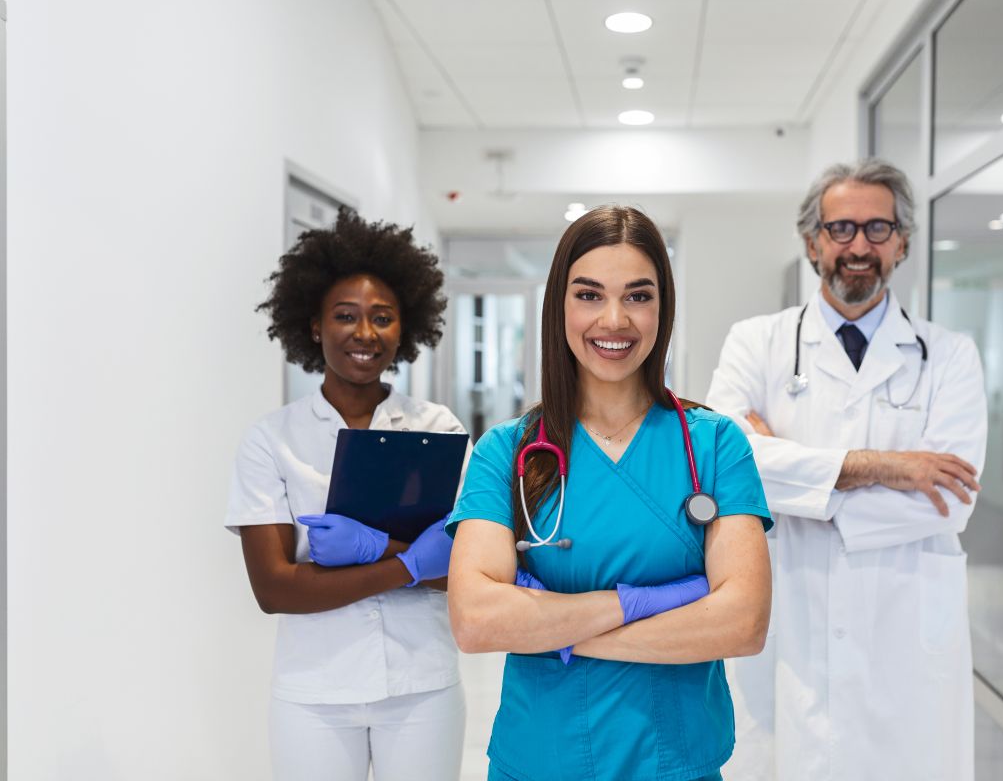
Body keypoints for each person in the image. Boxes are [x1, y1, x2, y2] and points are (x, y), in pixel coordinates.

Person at [446, 205, 773, 781]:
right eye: (590, 295)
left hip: (675, 762)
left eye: (639, 296)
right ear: (560, 307)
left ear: (663, 309)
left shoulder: (717, 446)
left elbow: (743, 623)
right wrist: (645, 603)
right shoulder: (506, 452)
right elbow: (476, 621)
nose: (615, 319)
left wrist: (557, 632)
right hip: (541, 759)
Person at [706, 159, 988, 781]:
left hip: (903, 627)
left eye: (878, 228)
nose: (859, 245)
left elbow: (951, 498)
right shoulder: (756, 342)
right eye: (840, 229)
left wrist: (795, 481)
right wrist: (880, 466)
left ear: (904, 241)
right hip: (789, 616)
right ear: (812, 242)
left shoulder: (949, 356)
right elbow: (727, 463)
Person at [225, 209, 467, 781]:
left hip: (422, 685)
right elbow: (275, 588)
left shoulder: (440, 429)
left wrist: (380, 551)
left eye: (382, 318)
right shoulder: (271, 439)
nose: (365, 333)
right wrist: (406, 560)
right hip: (314, 693)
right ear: (314, 325)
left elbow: (465, 568)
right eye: (345, 316)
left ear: (404, 329)